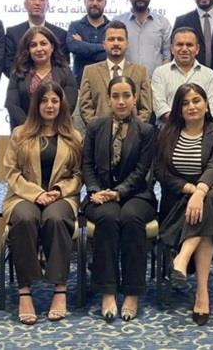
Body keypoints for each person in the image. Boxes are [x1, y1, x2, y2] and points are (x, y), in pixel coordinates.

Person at [155, 83, 213, 326]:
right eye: (185, 103)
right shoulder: (166, 133)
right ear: (178, 109)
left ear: (206, 104)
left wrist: (201, 191)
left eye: (196, 101)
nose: (191, 106)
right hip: (179, 199)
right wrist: (192, 190)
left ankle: (182, 259)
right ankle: (202, 294)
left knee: (210, 202)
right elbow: (161, 172)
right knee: (205, 218)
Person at [2, 82, 83, 325]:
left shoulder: (74, 136)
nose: (49, 105)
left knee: (56, 218)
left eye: (54, 101)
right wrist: (36, 194)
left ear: (61, 104)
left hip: (61, 197)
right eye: (44, 101)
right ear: (36, 105)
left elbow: (78, 174)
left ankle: (60, 288)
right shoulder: (20, 134)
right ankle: (25, 290)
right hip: (23, 195)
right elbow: (11, 172)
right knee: (25, 218)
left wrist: (58, 191)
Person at [82, 76, 156, 322]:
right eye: (116, 96)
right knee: (108, 218)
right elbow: (87, 164)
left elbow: (142, 170)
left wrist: (119, 192)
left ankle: (132, 293)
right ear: (109, 99)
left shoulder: (146, 131)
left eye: (126, 96)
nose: (121, 101)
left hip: (137, 194)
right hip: (100, 195)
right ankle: (108, 291)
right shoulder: (95, 126)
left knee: (132, 219)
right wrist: (94, 190)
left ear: (135, 99)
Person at [78, 20, 152, 127]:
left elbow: (146, 108)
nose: (116, 43)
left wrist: (132, 131)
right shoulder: (90, 72)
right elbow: (85, 107)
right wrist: (99, 130)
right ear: (104, 44)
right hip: (99, 133)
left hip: (134, 134)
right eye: (111, 39)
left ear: (127, 44)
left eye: (120, 39)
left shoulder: (141, 72)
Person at [6, 26, 77, 130]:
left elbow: (69, 104)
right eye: (33, 45)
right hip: (25, 131)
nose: (39, 49)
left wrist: (50, 127)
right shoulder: (18, 73)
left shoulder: (65, 73)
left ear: (52, 47)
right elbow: (12, 104)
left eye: (43, 44)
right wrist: (30, 127)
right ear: (28, 50)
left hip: (57, 130)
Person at [152, 27, 213, 123]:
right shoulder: (160, 73)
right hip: (169, 128)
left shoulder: (209, 75)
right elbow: (160, 107)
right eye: (179, 44)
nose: (184, 49)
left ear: (197, 49)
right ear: (172, 49)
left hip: (203, 130)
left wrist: (193, 125)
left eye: (189, 45)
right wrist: (184, 123)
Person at [4, 0, 68, 76]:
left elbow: (63, 65)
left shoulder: (60, 34)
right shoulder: (13, 33)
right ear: (25, 4)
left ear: (47, 5)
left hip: (52, 84)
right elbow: (8, 66)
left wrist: (45, 80)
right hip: (21, 82)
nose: (37, 3)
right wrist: (31, 80)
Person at [113, 0, 172, 76]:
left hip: (154, 82)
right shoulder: (117, 22)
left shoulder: (163, 23)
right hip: (124, 82)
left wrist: (161, 79)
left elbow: (167, 56)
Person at [67, 0, 110, 84]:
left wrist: (83, 46)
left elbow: (111, 54)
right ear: (85, 1)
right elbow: (74, 47)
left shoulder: (112, 28)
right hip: (80, 86)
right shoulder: (75, 26)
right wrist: (103, 47)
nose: (95, 3)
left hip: (106, 86)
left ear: (105, 3)